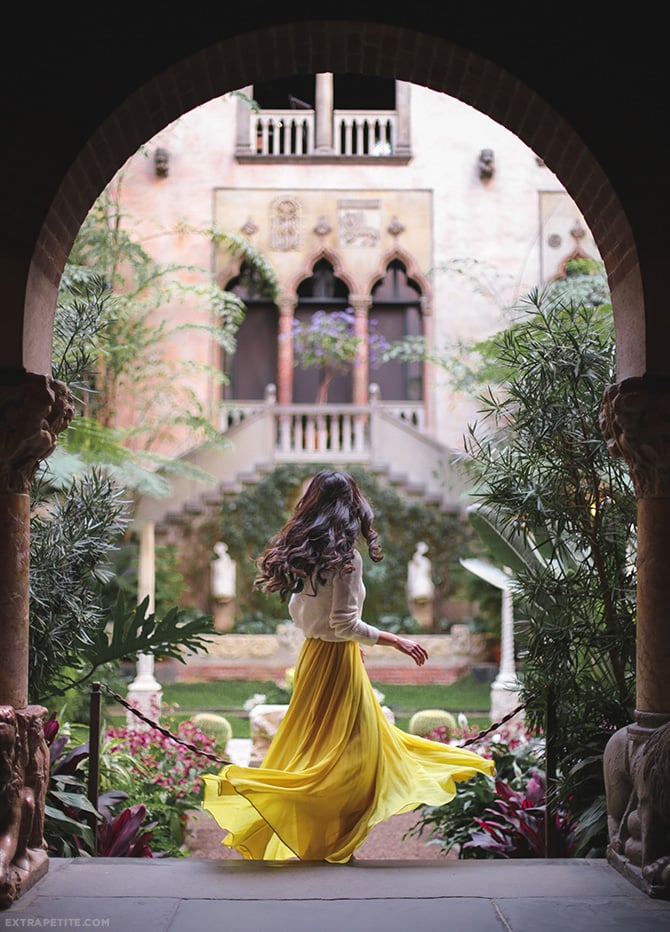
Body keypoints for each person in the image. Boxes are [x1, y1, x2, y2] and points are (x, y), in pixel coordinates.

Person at [200, 469, 494, 862]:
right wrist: (396, 640)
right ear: (352, 507)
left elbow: (302, 614)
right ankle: (331, 838)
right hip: (335, 663)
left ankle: (327, 838)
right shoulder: (345, 559)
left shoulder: (304, 553)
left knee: (325, 751)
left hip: (315, 656)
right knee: (356, 755)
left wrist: (346, 641)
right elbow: (344, 623)